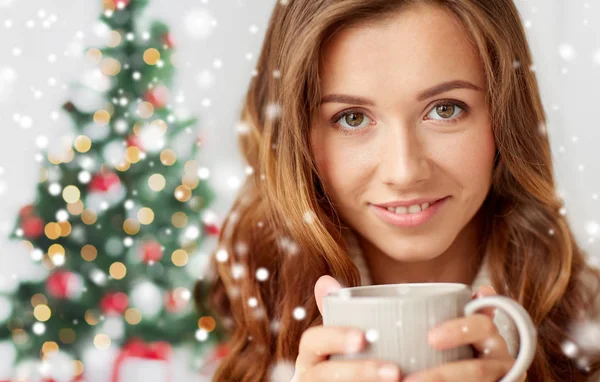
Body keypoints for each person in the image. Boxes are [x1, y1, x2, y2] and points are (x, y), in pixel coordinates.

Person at [199, 0, 600, 381]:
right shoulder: (243, 314)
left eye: (445, 109)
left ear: (504, 116)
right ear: (296, 141)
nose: (405, 171)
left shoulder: (590, 318)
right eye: (352, 118)